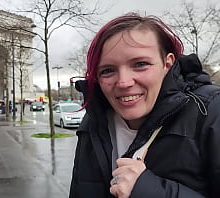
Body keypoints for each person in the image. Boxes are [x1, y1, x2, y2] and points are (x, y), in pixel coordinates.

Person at [69, 13, 220, 198]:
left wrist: (147, 189)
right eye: (107, 70)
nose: (123, 82)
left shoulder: (210, 112)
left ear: (167, 64)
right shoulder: (94, 120)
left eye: (140, 64)